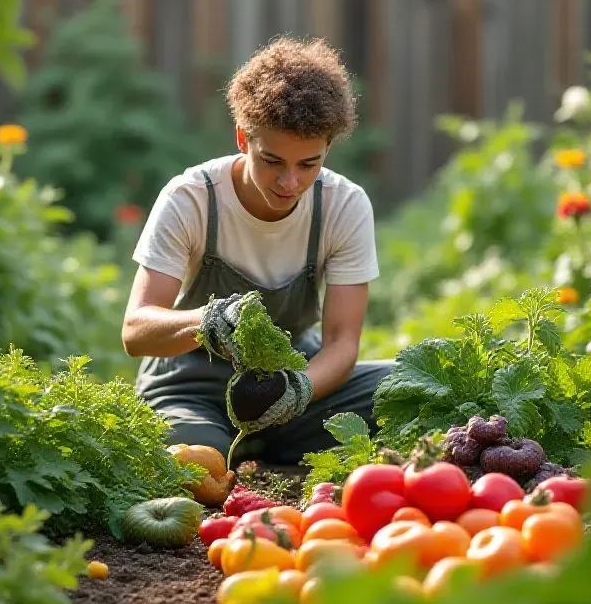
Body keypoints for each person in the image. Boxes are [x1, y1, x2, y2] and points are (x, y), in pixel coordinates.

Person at [121, 36, 391, 464]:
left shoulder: (344, 204)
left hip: (293, 387)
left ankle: (269, 440)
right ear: (243, 137)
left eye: (308, 164)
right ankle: (237, 446)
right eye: (272, 161)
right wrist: (207, 322)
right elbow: (135, 332)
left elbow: (341, 344)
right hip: (189, 389)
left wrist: (298, 389)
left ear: (328, 149)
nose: (290, 183)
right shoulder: (192, 198)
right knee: (193, 458)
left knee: (404, 387)